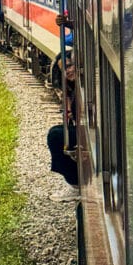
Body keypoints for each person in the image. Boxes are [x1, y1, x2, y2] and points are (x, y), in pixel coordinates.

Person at [47, 47, 79, 186]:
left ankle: (75, 181)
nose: (68, 71)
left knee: (55, 136)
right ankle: (73, 180)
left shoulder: (82, 88)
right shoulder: (73, 89)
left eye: (70, 65)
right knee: (56, 133)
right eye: (64, 70)